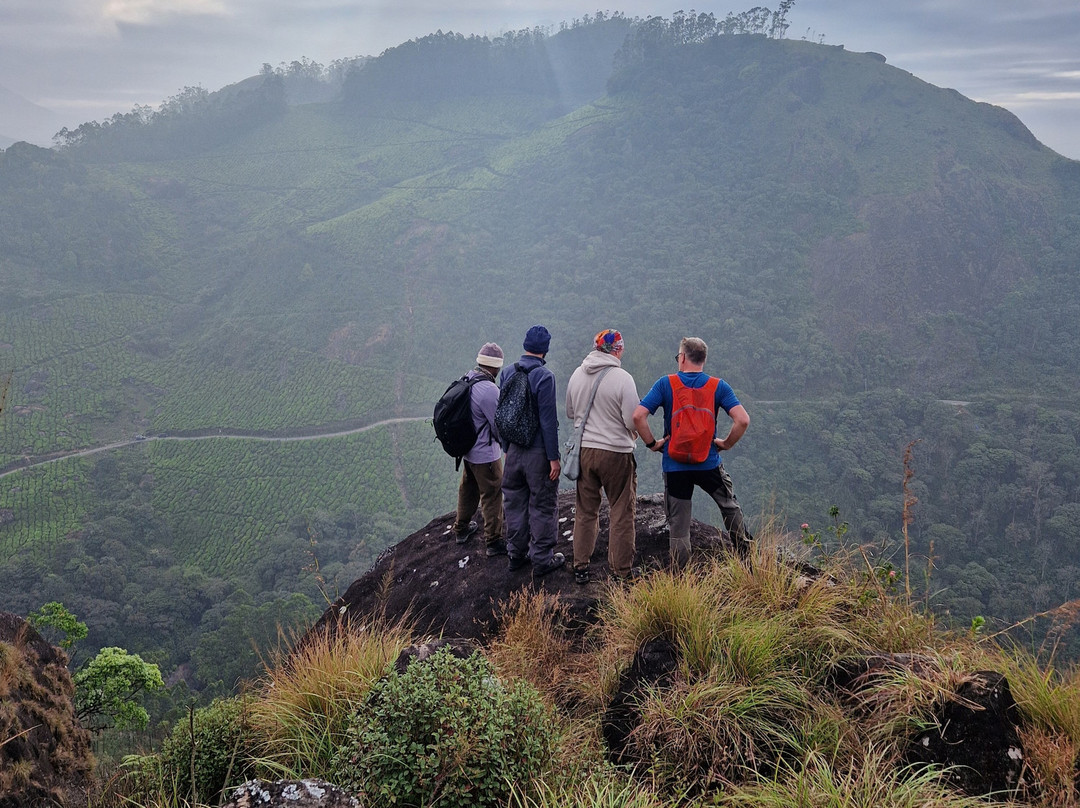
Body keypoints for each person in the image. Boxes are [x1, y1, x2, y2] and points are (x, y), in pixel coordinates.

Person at [633, 336, 753, 567]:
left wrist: (653, 444)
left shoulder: (665, 384)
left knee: (679, 527)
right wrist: (726, 444)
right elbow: (742, 420)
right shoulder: (718, 386)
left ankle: (682, 576)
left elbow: (638, 416)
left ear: (682, 358)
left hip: (675, 465)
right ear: (703, 360)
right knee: (729, 505)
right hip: (708, 462)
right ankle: (746, 556)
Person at [565, 329, 640, 584]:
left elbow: (570, 412)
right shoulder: (623, 378)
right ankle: (621, 571)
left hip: (584, 451)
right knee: (621, 510)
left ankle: (580, 566)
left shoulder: (577, 374)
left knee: (585, 510)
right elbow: (632, 420)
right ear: (618, 350)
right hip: (616, 453)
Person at [500, 325, 565, 577]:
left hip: (513, 452)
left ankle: (516, 555)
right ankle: (542, 560)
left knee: (514, 503)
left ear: (525, 345)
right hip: (538, 454)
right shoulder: (544, 376)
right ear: (545, 350)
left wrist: (506, 448)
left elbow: (502, 414)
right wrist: (553, 458)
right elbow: (548, 422)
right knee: (543, 505)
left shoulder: (507, 372)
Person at [451, 342, 508, 557]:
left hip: (468, 450)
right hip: (486, 455)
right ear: (496, 366)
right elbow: (498, 425)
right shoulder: (489, 390)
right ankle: (493, 541)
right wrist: (506, 446)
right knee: (492, 493)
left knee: (468, 488)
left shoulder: (467, 378)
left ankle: (461, 528)